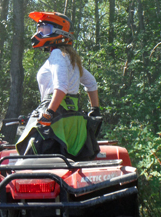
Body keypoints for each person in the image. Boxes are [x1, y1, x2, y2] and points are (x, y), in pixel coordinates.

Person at [15, 11, 101, 161]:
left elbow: (61, 87)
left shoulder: (57, 55)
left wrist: (48, 113)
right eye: (39, 29)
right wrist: (95, 110)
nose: (40, 33)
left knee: (29, 163)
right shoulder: (70, 58)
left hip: (55, 119)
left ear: (59, 33)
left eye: (45, 29)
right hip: (73, 120)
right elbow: (91, 82)